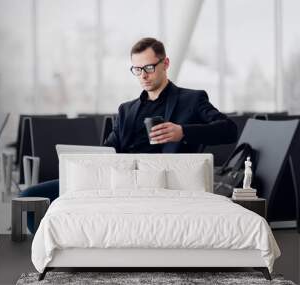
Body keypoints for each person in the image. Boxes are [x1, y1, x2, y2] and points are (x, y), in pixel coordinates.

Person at [20, 37, 238, 233]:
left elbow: (229, 130)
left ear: (166, 64)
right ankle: (50, 246)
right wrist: (91, 159)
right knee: (30, 195)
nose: (143, 75)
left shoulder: (192, 99)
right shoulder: (127, 109)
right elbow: (111, 148)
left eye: (149, 67)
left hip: (160, 181)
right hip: (119, 178)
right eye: (137, 69)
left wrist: (182, 132)